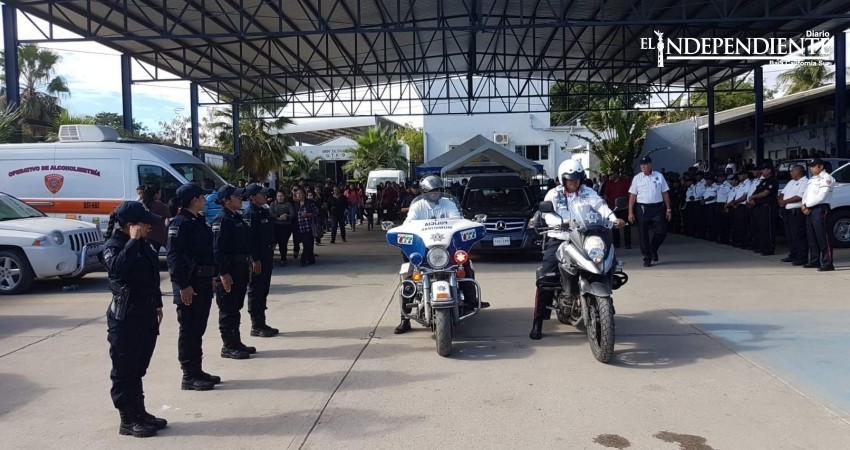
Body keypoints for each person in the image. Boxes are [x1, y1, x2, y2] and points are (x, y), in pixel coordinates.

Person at [530, 160, 624, 340]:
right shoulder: (554, 194)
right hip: (561, 239)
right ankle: (538, 321)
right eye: (570, 180)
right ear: (562, 179)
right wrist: (559, 223)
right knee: (546, 279)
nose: (574, 183)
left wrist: (614, 218)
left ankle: (604, 302)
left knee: (606, 260)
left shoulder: (588, 192)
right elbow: (547, 213)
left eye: (577, 179)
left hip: (585, 237)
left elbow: (600, 206)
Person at [101, 201, 165, 438]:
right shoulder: (113, 246)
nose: (150, 228)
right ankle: (127, 419)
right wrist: (133, 241)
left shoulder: (145, 246)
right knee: (124, 370)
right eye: (146, 224)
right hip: (125, 318)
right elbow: (117, 270)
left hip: (146, 314)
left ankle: (140, 411)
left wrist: (157, 304)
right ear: (131, 225)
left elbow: (152, 277)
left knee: (139, 367)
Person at [395, 175, 485, 334]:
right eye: (431, 191)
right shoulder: (417, 207)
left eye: (438, 190)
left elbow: (457, 221)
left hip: (447, 249)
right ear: (424, 192)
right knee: (408, 280)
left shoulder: (448, 204)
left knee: (463, 266)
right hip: (424, 252)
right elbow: (408, 224)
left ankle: (472, 299)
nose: (435, 193)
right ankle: (405, 320)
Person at [167, 183, 219, 391]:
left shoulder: (197, 221)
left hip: (202, 282)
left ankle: (197, 370)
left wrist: (212, 276)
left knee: (198, 329)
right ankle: (189, 375)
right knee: (189, 330)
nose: (205, 200)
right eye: (202, 197)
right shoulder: (179, 224)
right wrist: (183, 285)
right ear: (194, 200)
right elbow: (174, 257)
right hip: (189, 285)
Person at [212, 185, 257, 360]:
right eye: (237, 197)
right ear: (226, 201)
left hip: (240, 269)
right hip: (229, 270)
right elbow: (218, 250)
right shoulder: (222, 220)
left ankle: (236, 342)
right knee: (227, 308)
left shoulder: (236, 217)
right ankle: (228, 346)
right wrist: (223, 273)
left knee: (235, 307)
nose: (241, 199)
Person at [244, 183, 279, 337]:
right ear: (252, 198)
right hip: (258, 258)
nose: (265, 196)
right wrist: (254, 259)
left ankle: (262, 322)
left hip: (267, 255)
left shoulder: (263, 211)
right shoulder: (250, 214)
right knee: (256, 290)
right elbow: (249, 240)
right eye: (261, 194)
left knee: (263, 289)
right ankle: (256, 325)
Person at [627, 156, 672, 267]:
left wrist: (669, 209)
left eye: (645, 164)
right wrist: (630, 212)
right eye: (641, 164)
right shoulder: (637, 178)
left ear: (650, 164)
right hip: (642, 208)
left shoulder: (659, 176)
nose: (643, 166)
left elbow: (665, 193)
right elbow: (633, 196)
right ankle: (647, 258)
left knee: (661, 231)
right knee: (643, 234)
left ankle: (653, 249)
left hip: (657, 207)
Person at [802, 159, 835, 271]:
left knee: (823, 237)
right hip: (809, 208)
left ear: (820, 167)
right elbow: (805, 194)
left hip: (820, 208)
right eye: (810, 166)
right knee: (812, 237)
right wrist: (804, 205)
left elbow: (821, 196)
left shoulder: (827, 179)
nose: (811, 168)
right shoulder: (812, 179)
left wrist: (807, 205)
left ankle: (827, 263)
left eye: (813, 166)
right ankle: (814, 260)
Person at [779, 165, 809, 266]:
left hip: (797, 213)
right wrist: (781, 201)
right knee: (790, 235)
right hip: (787, 213)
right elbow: (782, 193)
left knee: (798, 236)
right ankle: (793, 254)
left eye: (792, 171)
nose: (790, 173)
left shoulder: (805, 182)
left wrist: (785, 202)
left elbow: (799, 196)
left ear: (798, 172)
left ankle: (802, 257)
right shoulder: (791, 182)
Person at [747, 163, 779, 255]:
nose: (762, 171)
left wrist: (753, 196)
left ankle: (769, 248)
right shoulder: (763, 181)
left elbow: (765, 193)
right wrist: (752, 198)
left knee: (767, 229)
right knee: (760, 228)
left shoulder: (772, 180)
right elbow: (757, 190)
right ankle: (762, 247)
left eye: (764, 169)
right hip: (759, 207)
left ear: (769, 170)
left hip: (767, 207)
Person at [602, 171, 631, 249]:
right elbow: (605, 195)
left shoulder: (624, 182)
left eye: (611, 174)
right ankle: (616, 243)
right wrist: (604, 206)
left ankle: (628, 243)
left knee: (626, 225)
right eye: (609, 175)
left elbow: (629, 193)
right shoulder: (608, 184)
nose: (610, 176)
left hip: (624, 207)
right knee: (615, 226)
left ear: (616, 174)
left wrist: (629, 205)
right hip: (613, 208)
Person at [140, 184, 170, 252]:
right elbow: (170, 214)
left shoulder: (141, 204)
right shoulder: (160, 205)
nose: (161, 194)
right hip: (158, 236)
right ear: (156, 194)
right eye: (160, 192)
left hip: (144, 234)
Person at [294, 187, 319, 267]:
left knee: (307, 244)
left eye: (300, 193)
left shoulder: (309, 203)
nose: (298, 195)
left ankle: (303, 260)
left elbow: (316, 212)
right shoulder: (296, 204)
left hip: (309, 227)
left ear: (304, 194)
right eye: (297, 194)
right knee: (308, 244)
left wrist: (308, 214)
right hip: (299, 227)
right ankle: (311, 259)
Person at [269, 190, 295, 266]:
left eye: (281, 196)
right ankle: (271, 259)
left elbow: (292, 214)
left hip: (286, 226)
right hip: (275, 226)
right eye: (278, 196)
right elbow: (271, 213)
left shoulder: (288, 204)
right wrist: (277, 217)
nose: (280, 198)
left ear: (284, 197)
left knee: (283, 243)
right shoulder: (273, 204)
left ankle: (283, 258)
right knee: (273, 243)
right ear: (276, 197)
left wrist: (286, 217)